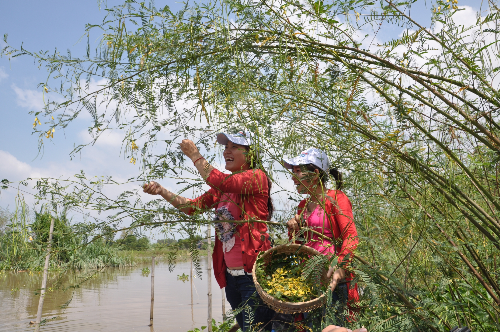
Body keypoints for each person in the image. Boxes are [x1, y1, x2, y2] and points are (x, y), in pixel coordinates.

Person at [143, 131, 275, 331]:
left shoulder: (256, 177)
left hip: (253, 275)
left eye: (233, 147)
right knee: (246, 326)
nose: (226, 152)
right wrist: (162, 191)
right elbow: (191, 207)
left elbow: (221, 180)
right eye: (225, 147)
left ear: (250, 154)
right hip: (232, 277)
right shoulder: (223, 190)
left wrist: (195, 155)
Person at [283, 148, 360, 326]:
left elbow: (351, 236)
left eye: (298, 171)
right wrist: (294, 230)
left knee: (336, 325)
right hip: (311, 281)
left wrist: (340, 267)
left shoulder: (336, 198)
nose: (293, 178)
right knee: (314, 327)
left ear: (315, 173)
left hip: (334, 280)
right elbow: (299, 245)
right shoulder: (302, 206)